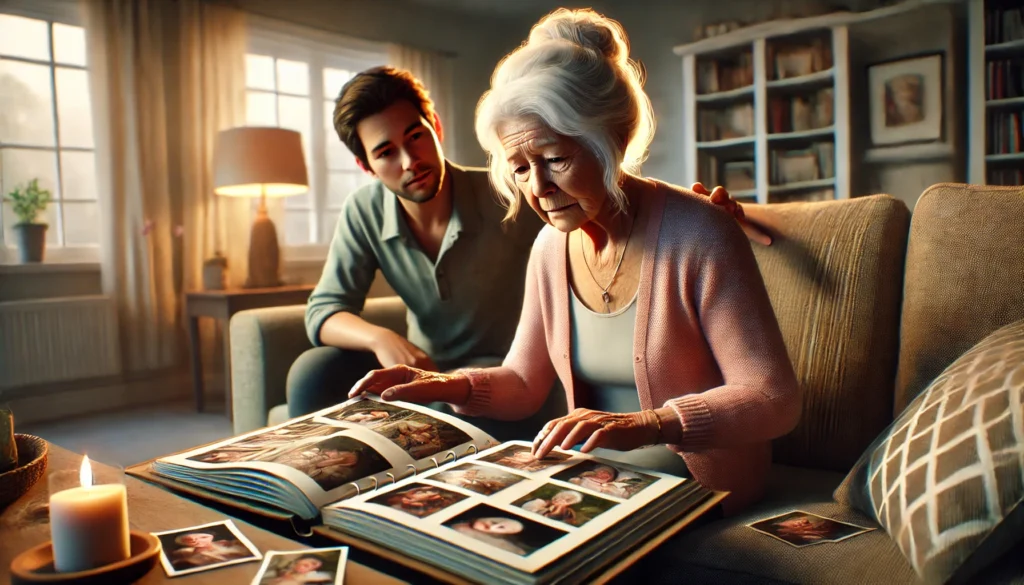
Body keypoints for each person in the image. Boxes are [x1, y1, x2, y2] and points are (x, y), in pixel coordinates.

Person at [348, 9, 799, 514]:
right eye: (520, 169)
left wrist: (647, 424)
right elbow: (523, 383)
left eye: (555, 160)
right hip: (600, 477)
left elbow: (772, 397)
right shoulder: (549, 248)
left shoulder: (699, 232)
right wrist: (445, 385)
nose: (538, 189)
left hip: (704, 482)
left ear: (609, 142)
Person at [288, 66, 769, 441]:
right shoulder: (364, 211)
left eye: (415, 137)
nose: (410, 162)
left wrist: (695, 213)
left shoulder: (513, 192)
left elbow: (596, 204)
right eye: (386, 152)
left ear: (435, 125)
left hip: (508, 368)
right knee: (315, 370)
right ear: (365, 166)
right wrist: (380, 339)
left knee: (447, 415)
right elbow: (325, 310)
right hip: (428, 369)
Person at [170, 532, 252, 569]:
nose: (197, 541)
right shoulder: (183, 553)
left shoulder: (228, 547)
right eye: (189, 540)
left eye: (203, 537)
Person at [262, 554, 334, 584]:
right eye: (313, 563)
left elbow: (329, 575)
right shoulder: (278, 561)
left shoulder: (299, 580)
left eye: (314, 569)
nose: (310, 567)